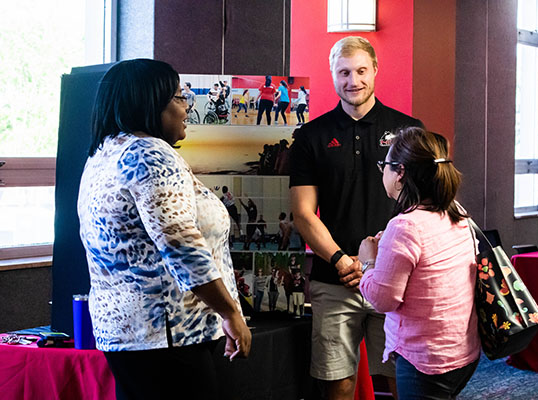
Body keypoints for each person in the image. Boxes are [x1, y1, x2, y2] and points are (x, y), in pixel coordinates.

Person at [77, 59, 251, 400]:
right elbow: (180, 244)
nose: (186, 106)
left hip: (130, 335)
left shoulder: (104, 153)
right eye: (177, 97)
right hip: (169, 334)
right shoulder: (148, 153)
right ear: (149, 103)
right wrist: (229, 312)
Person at [289, 36, 423, 400]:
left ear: (375, 71)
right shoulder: (310, 136)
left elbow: (424, 206)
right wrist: (340, 260)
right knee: (337, 383)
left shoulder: (410, 132)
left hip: (397, 277)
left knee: (403, 381)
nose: (354, 80)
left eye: (361, 70)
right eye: (344, 72)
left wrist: (382, 261)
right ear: (333, 75)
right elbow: (303, 212)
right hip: (335, 280)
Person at [357, 127, 481, 399]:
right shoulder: (455, 211)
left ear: (400, 172)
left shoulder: (405, 226)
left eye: (385, 166)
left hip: (425, 360)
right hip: (463, 350)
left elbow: (383, 300)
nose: (383, 173)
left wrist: (368, 262)